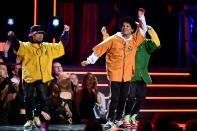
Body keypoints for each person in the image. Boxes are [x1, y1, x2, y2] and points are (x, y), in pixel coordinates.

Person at [81, 8, 147, 130]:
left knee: (123, 99)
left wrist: (141, 17)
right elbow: (99, 50)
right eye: (123, 26)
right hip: (114, 74)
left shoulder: (134, 40)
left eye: (128, 26)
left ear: (132, 29)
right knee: (115, 98)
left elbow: (143, 31)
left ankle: (118, 119)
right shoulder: (113, 39)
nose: (125, 28)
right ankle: (110, 120)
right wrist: (89, 60)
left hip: (127, 75)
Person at [7, 24, 70, 129]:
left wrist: (66, 32)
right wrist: (12, 37)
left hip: (43, 77)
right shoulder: (26, 46)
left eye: (42, 34)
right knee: (28, 98)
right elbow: (17, 45)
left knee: (44, 98)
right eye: (38, 34)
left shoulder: (47, 47)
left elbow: (61, 45)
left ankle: (36, 114)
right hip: (29, 78)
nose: (41, 36)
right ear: (32, 35)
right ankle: (29, 119)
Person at [122, 25, 160, 126]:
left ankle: (133, 115)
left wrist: (151, 30)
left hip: (142, 76)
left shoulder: (147, 43)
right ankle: (126, 115)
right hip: (131, 75)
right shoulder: (129, 41)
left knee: (141, 98)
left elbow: (157, 43)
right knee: (130, 97)